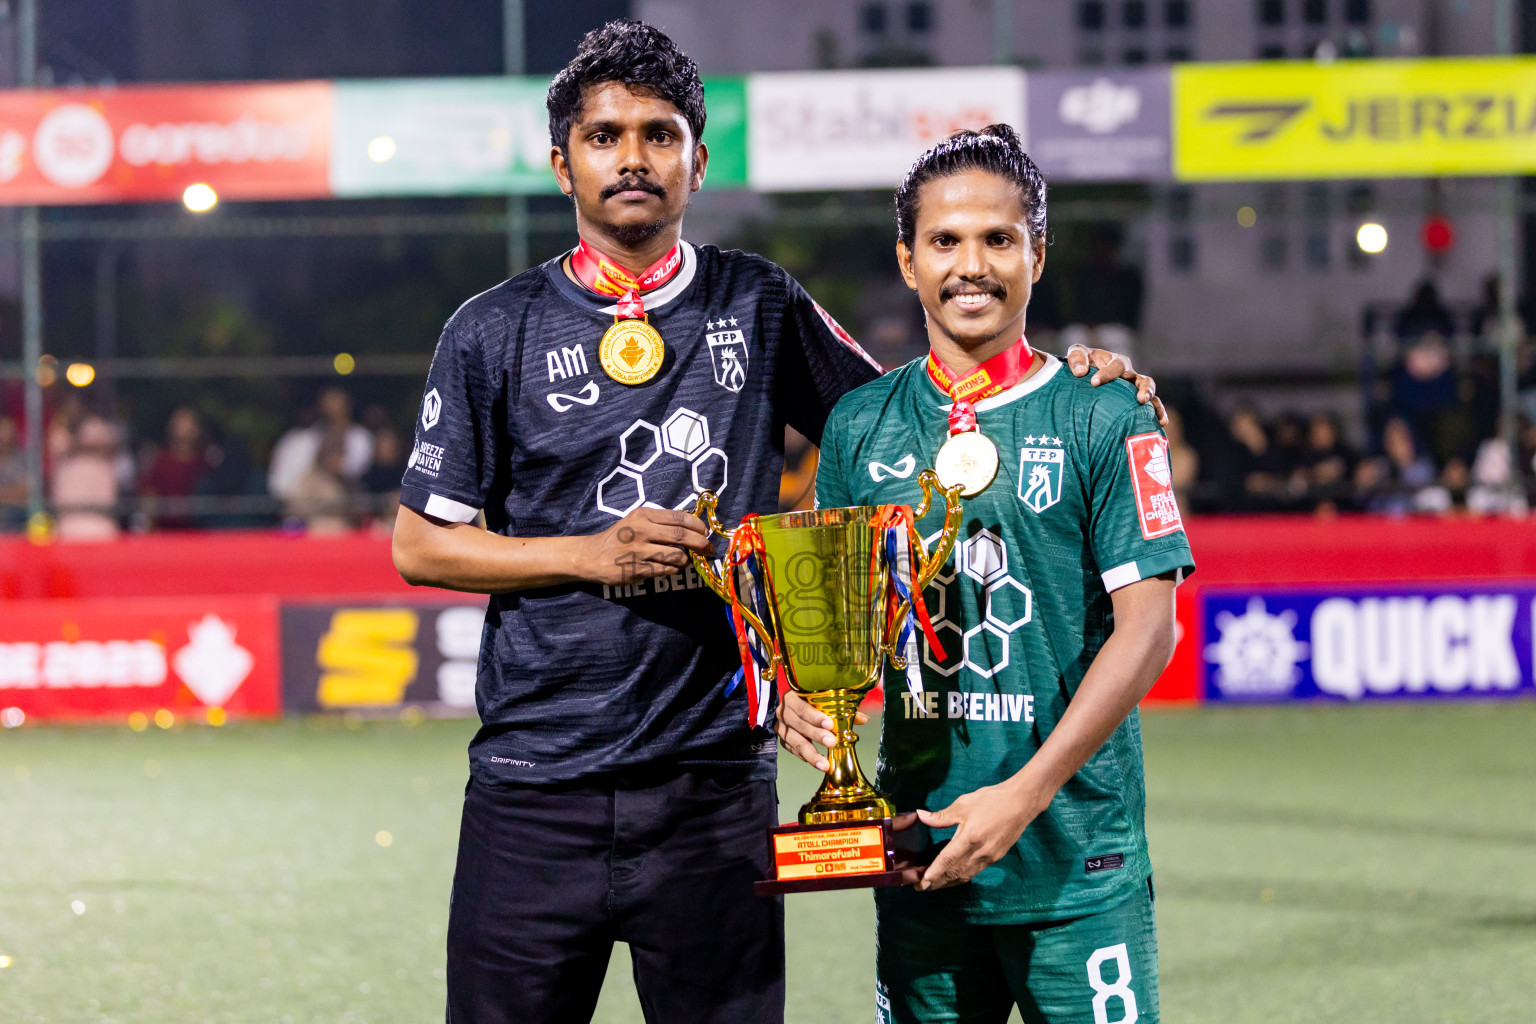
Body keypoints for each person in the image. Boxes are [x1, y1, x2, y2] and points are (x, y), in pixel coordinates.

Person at [389, 21, 1166, 1024]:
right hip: (534, 784)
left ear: (697, 160)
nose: (633, 157)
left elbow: (920, 415)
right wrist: (591, 553)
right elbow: (420, 542)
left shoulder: (757, 302)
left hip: (713, 784)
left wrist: (1073, 381)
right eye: (606, 135)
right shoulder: (493, 327)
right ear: (561, 163)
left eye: (660, 135)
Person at [778, 124, 1194, 1024]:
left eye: (999, 239)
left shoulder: (1108, 412)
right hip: (921, 859)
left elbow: (1151, 629)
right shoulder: (856, 425)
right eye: (946, 241)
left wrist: (1025, 794)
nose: (973, 265)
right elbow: (838, 619)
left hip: (1076, 864)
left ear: (1036, 255)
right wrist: (800, 689)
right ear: (907, 259)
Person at [267, 387, 373, 500]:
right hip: (305, 504)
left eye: (338, 404)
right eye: (327, 405)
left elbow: (360, 471)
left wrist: (341, 469)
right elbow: (280, 485)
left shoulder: (360, 437)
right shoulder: (299, 440)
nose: (332, 409)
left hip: (348, 502)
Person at [140, 406, 210, 529]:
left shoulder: (205, 463)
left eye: (190, 423)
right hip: (166, 534)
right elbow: (149, 496)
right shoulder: (160, 462)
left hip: (197, 534)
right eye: (181, 423)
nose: (186, 428)